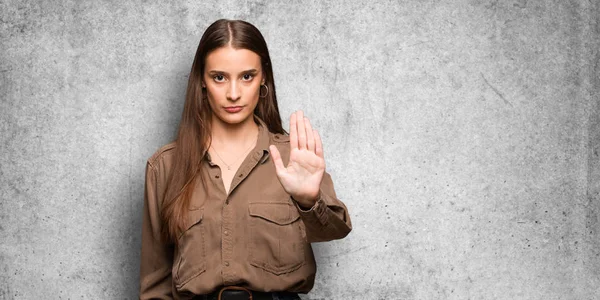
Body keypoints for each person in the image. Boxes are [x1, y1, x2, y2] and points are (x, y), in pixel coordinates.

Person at [139, 19, 352, 300]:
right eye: (219, 77)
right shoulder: (164, 167)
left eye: (247, 76)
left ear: (264, 77)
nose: (234, 93)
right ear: (202, 81)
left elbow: (336, 229)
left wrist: (308, 201)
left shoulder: (294, 157)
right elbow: (156, 284)